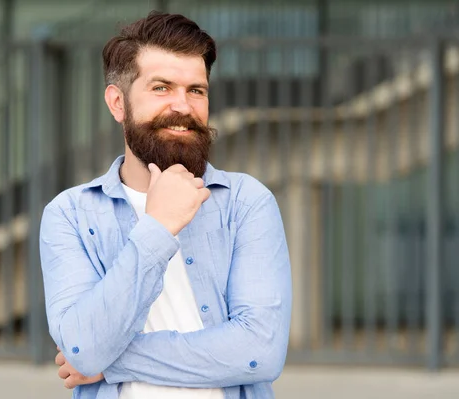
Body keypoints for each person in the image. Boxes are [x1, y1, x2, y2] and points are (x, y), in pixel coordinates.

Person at [39, 10, 292, 399]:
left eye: (196, 90)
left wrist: (107, 361)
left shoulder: (247, 203)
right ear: (117, 103)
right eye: (161, 88)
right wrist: (158, 226)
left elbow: (260, 352)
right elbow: (80, 349)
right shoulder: (69, 215)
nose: (183, 106)